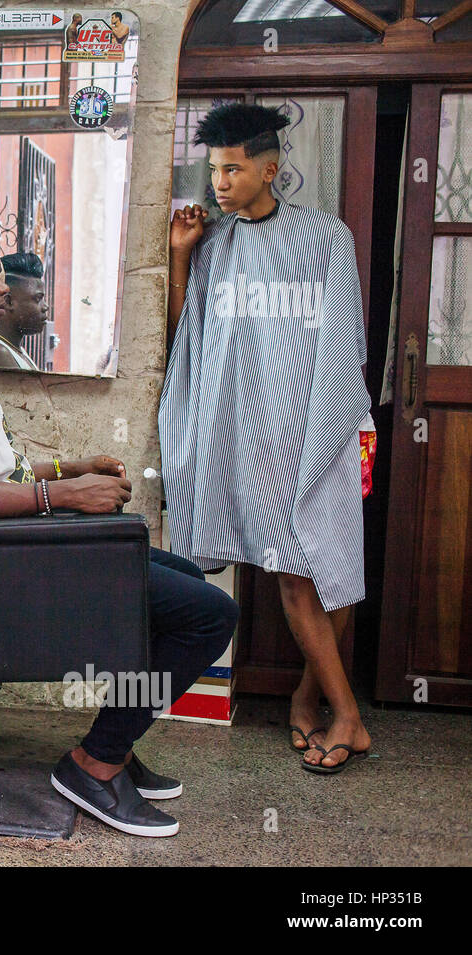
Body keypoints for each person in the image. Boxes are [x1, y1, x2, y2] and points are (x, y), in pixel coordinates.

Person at [0, 204, 238, 837]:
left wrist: (66, 470)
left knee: (181, 578)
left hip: (2, 554)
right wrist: (62, 500)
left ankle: (116, 742)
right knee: (209, 614)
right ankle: (95, 763)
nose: (1, 288)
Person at [161, 103, 373, 774]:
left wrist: (334, 428)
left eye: (232, 168)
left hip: (317, 432)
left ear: (270, 169)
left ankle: (336, 711)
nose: (219, 182)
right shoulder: (214, 246)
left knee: (318, 575)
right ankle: (318, 707)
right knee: (295, 577)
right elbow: (190, 338)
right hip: (248, 438)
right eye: (214, 168)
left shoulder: (325, 238)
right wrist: (178, 260)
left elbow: (344, 343)